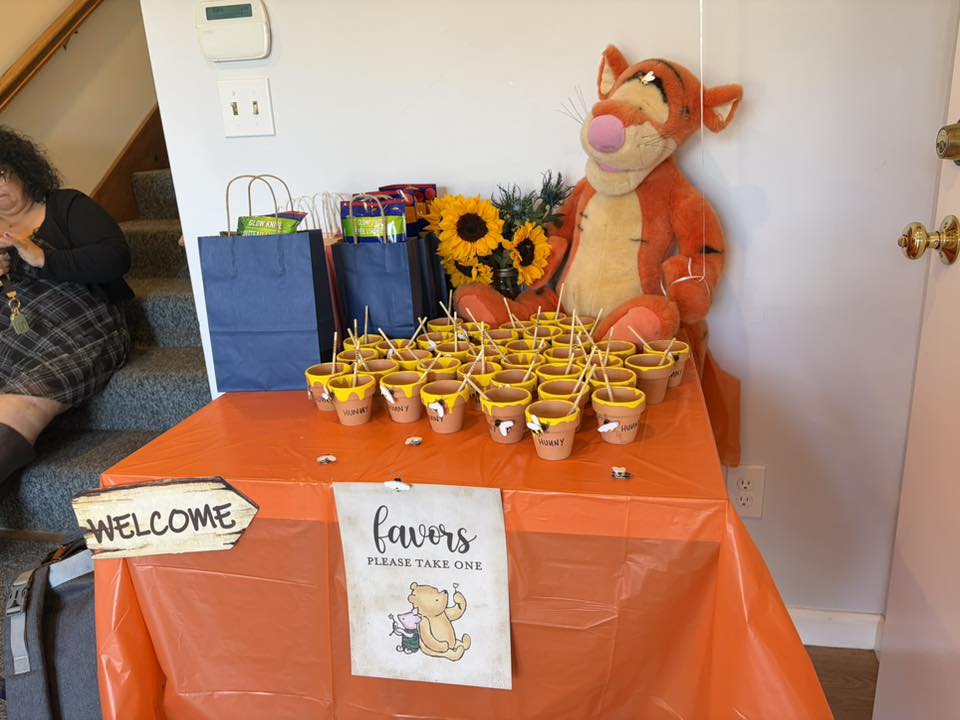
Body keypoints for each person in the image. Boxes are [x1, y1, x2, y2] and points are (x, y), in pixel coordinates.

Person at [0, 127, 133, 484]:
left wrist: (44, 258)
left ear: (22, 169)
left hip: (81, 328)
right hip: (11, 335)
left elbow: (116, 258)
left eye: (1, 174)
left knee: (16, 407)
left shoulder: (65, 206)